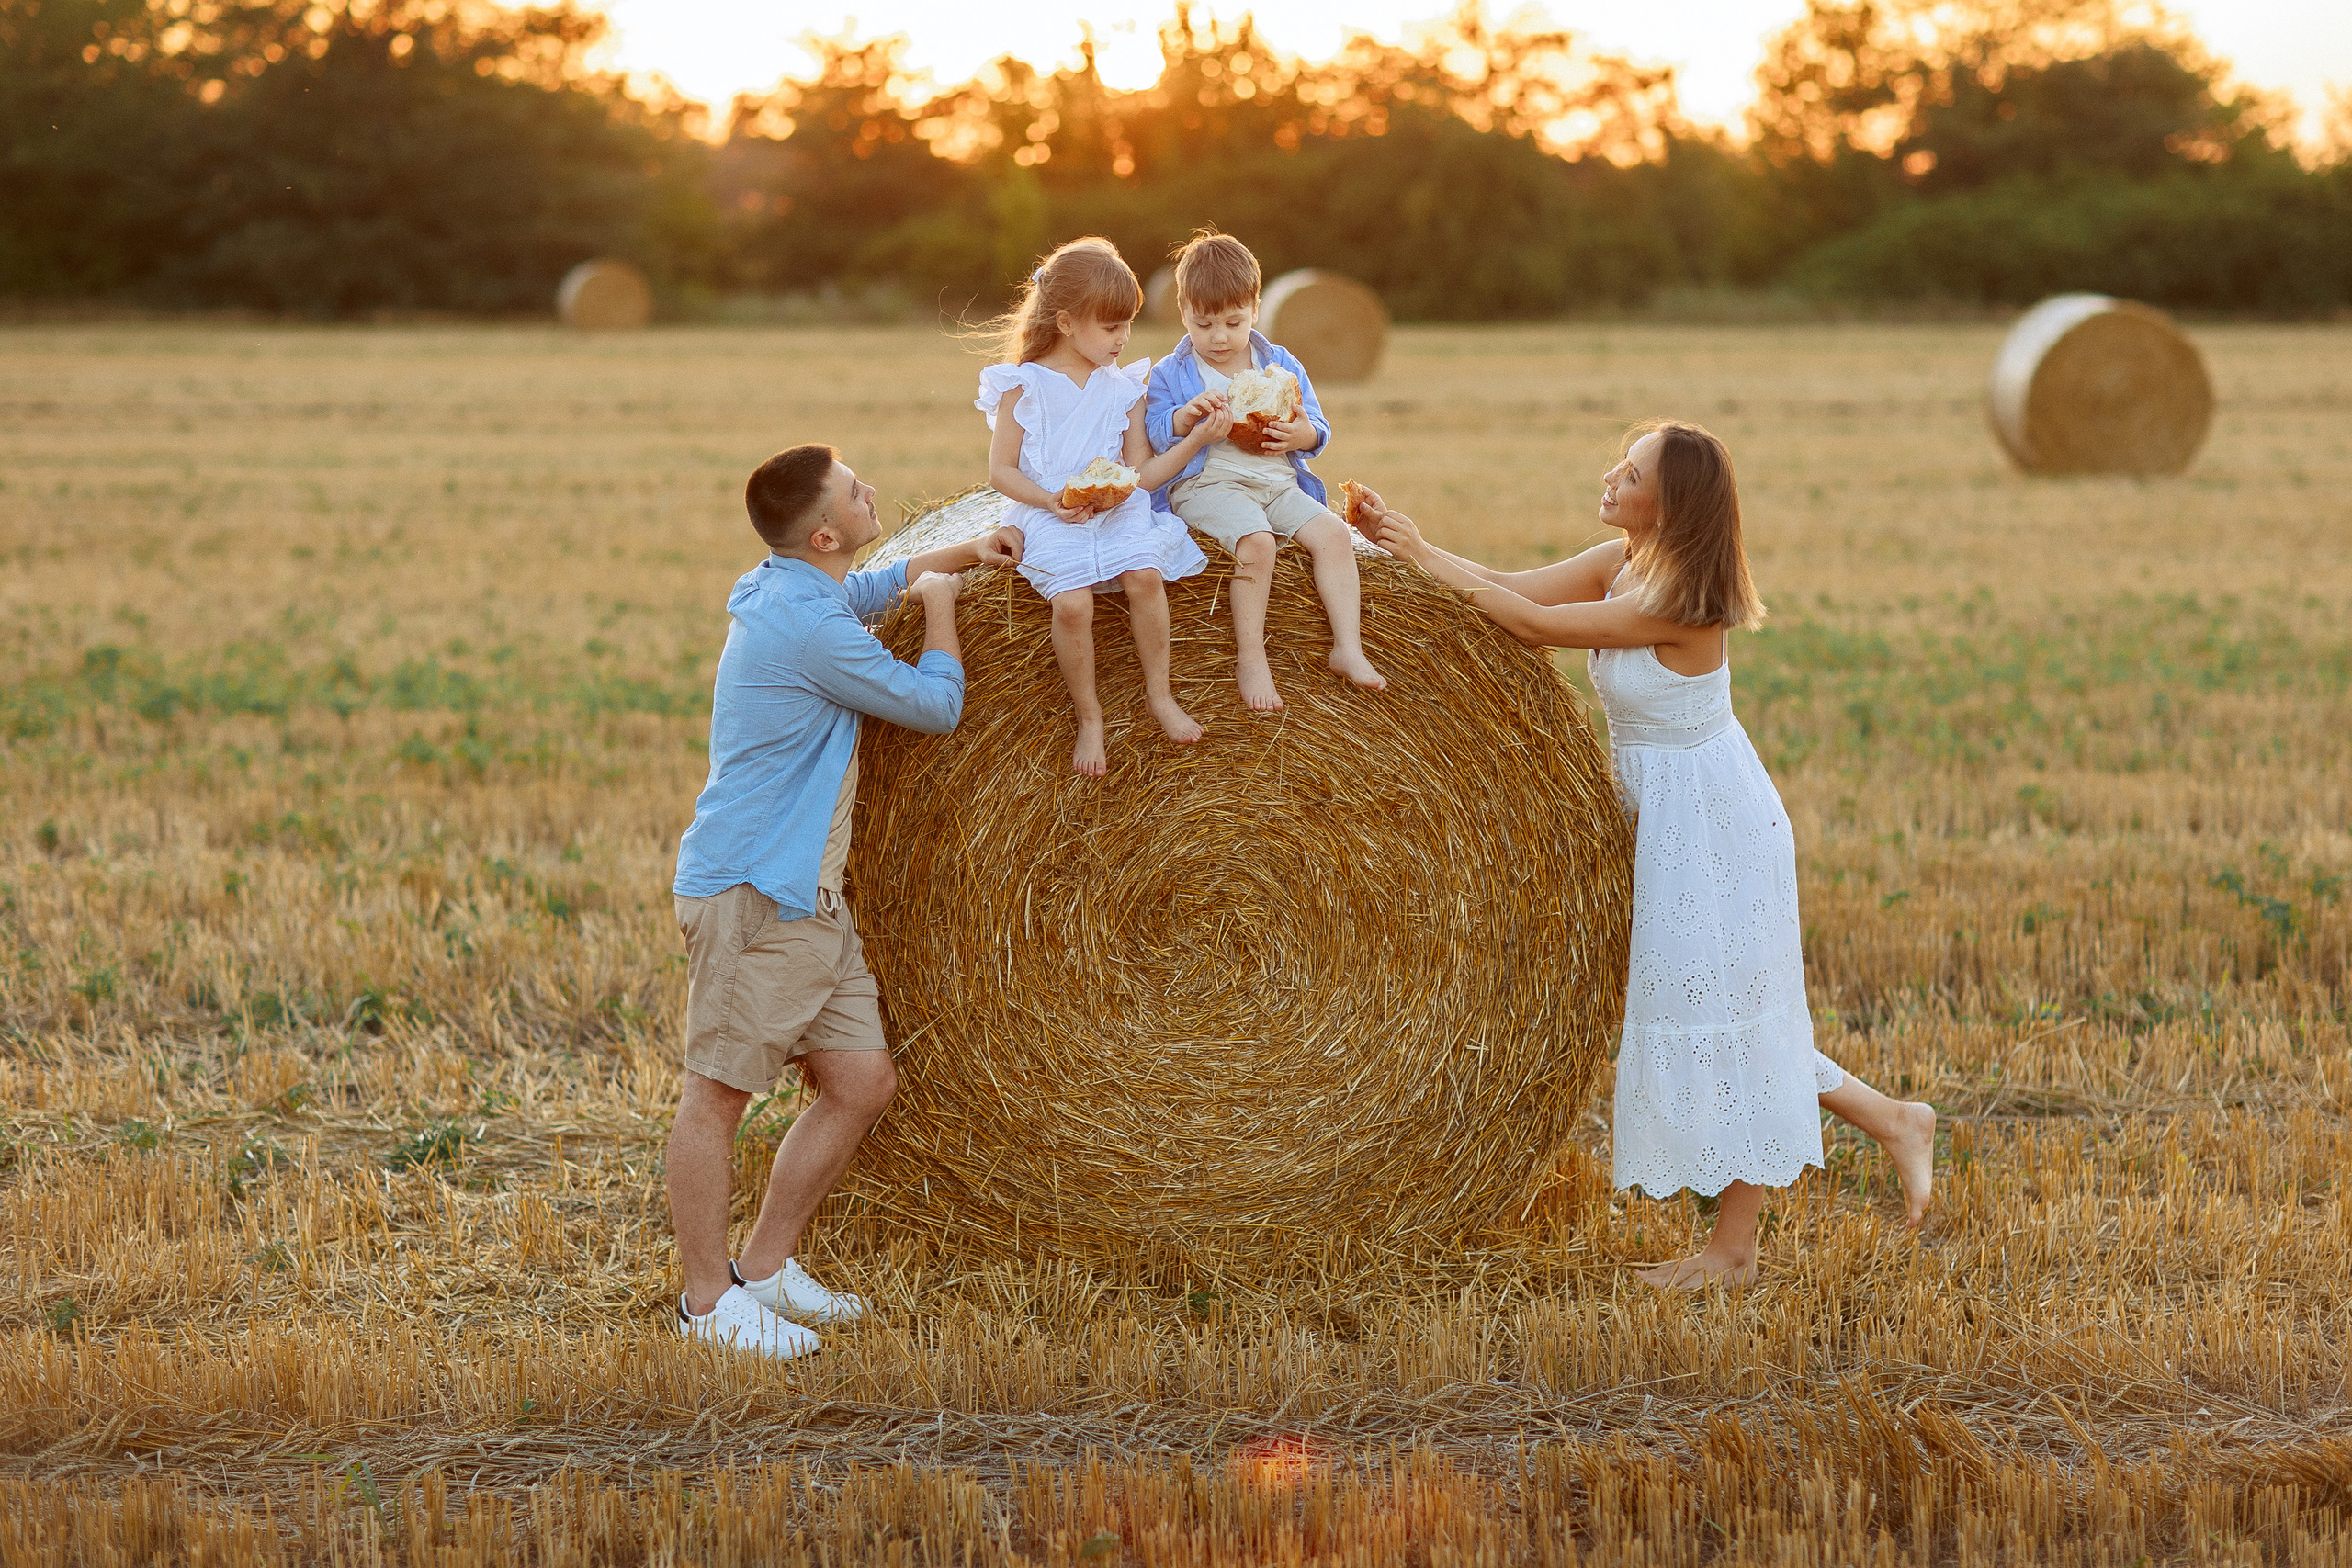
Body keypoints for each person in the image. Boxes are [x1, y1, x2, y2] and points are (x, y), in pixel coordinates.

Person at [1358, 422, 1937, 1288]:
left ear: (1671, 506)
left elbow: (1533, 626)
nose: (1610, 476)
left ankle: (1734, 1252)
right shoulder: (1619, 562)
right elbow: (1508, 588)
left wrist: (1417, 551)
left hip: (1712, 823)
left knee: (1726, 1019)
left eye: (1630, 474)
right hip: (1658, 818)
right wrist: (1403, 546)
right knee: (1705, 1010)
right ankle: (1893, 1119)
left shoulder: (1684, 602)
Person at [666, 442, 1021, 1356]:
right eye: (855, 491)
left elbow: (871, 587)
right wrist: (940, 609)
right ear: (824, 533)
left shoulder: (794, 588)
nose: (872, 492)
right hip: (756, 892)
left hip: (811, 899)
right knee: (716, 1097)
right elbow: (935, 705)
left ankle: (764, 1268)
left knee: (862, 1085)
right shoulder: (808, 631)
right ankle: (705, 1303)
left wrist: (963, 552)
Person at [978, 236, 1230, 778]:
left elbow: (1141, 474)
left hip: (1117, 509)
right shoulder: (1023, 386)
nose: (1124, 338)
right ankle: (1089, 716)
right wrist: (1050, 500)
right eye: (1112, 326)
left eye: (1128, 325)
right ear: (1066, 323)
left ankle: (1160, 695)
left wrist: (1194, 441)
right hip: (1047, 511)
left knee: (1145, 576)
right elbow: (1000, 472)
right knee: (1072, 604)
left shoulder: (1124, 388)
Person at [1144, 231, 1385, 713]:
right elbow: (1154, 428)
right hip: (1209, 483)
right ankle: (1251, 658)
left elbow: (1317, 426)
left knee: (1335, 536)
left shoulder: (1279, 363)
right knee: (1257, 544)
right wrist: (1184, 417)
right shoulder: (1173, 372)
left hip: (1277, 483)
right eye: (1204, 323)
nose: (1219, 337)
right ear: (1183, 312)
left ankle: (1348, 647)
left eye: (1233, 322)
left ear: (1256, 310)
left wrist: (1301, 435)